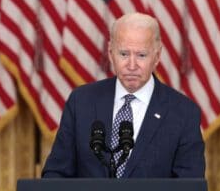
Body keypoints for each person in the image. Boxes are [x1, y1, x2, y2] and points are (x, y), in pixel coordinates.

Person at [42, 12, 205, 178]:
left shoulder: (184, 113)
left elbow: (189, 184)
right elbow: (56, 174)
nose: (132, 65)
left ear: (157, 56)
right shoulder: (81, 102)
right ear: (111, 52)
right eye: (124, 54)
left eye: (141, 55)